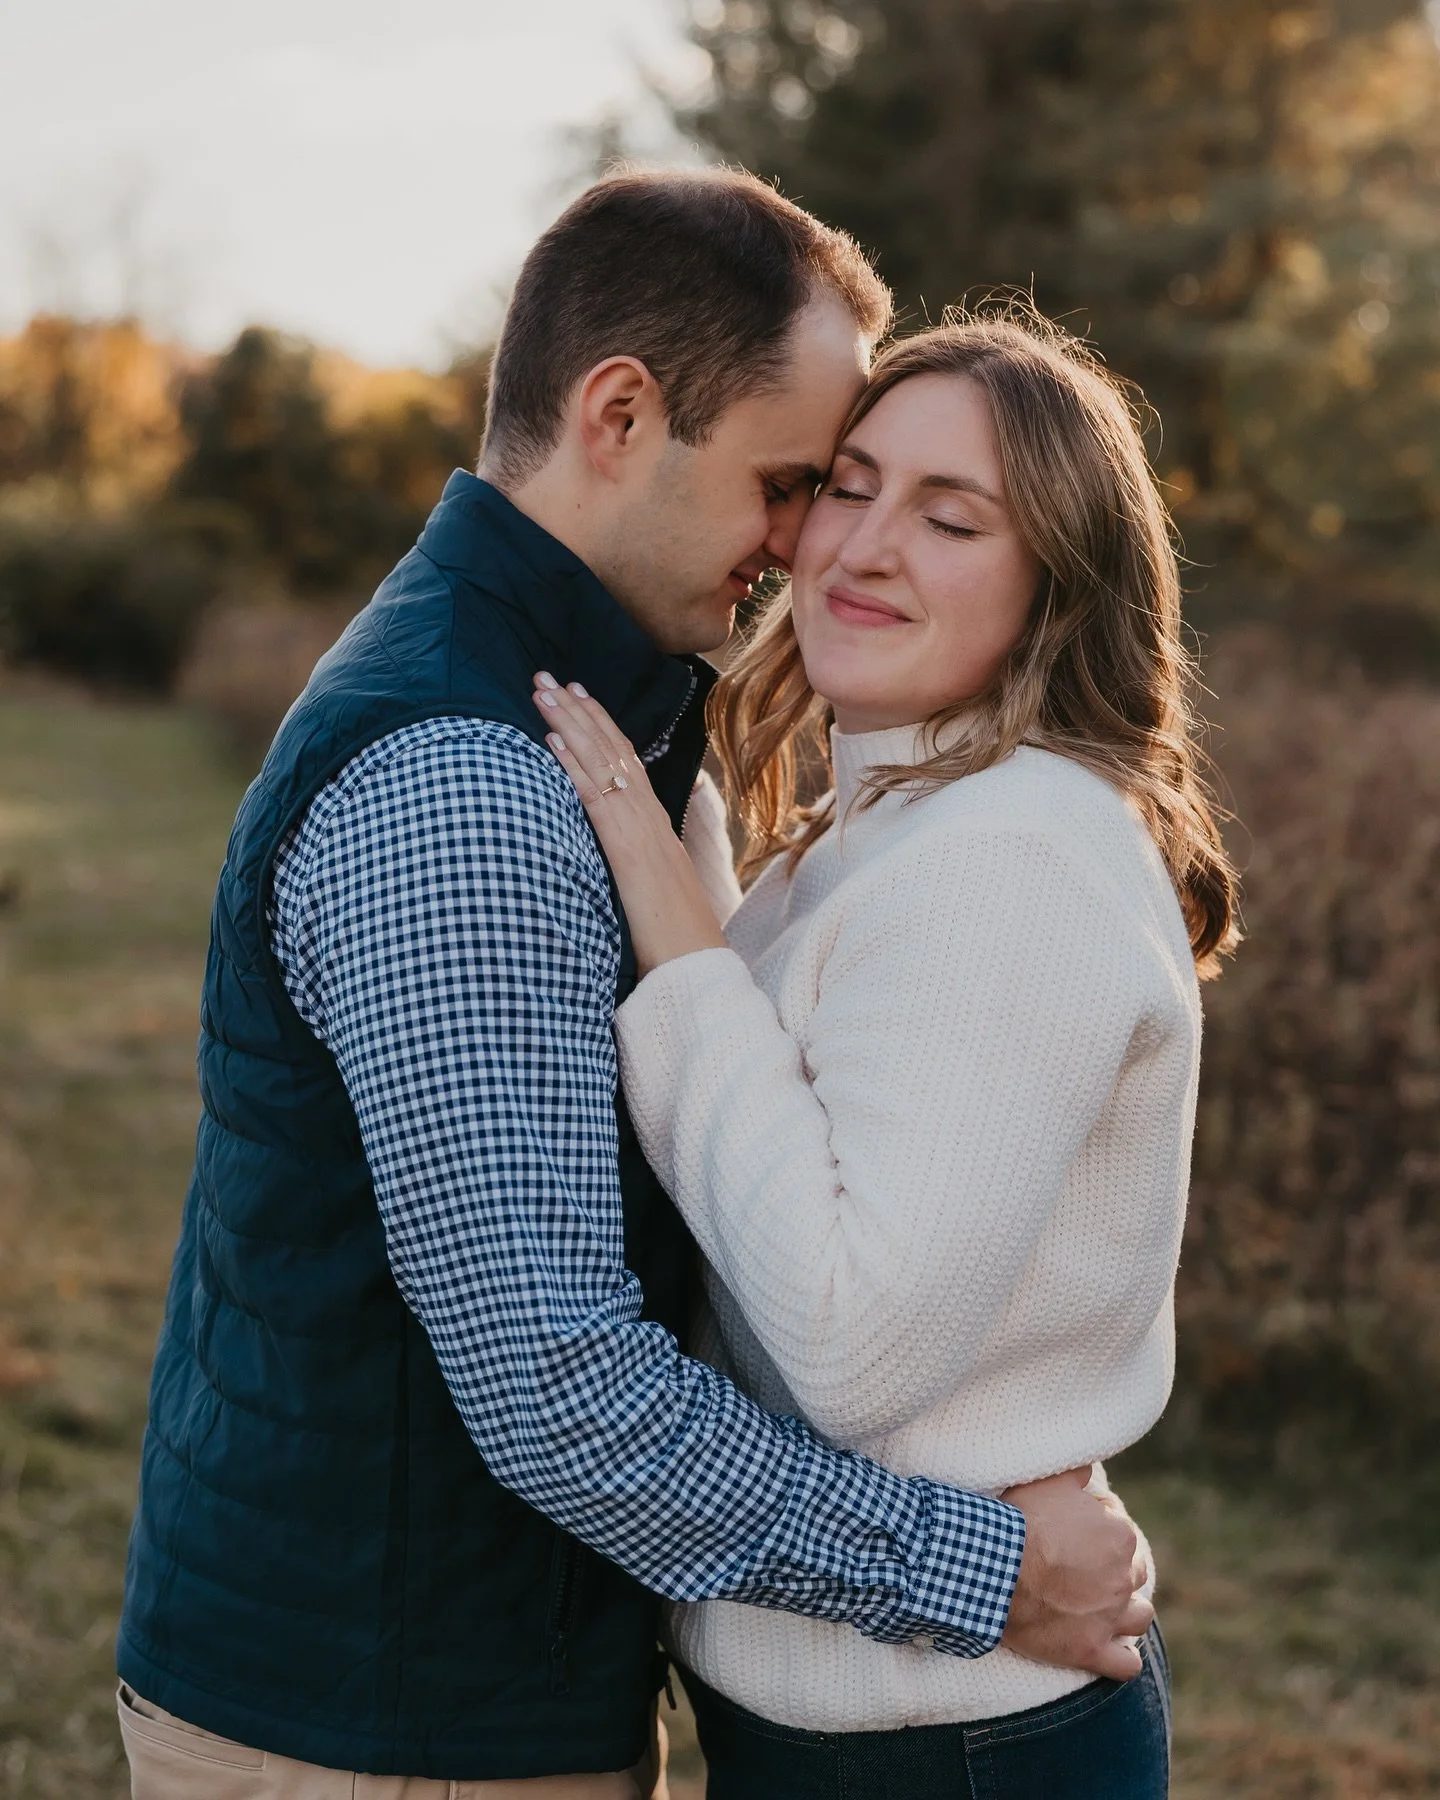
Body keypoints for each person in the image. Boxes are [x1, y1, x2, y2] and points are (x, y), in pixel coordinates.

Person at [116, 176, 1150, 1800]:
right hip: (387, 1729)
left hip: (460, 1695)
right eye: (796, 482)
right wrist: (990, 1569)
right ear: (619, 413)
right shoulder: (470, 788)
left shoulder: (597, 716)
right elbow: (561, 1392)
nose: (809, 543)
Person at [531, 306, 1239, 1800]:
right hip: (851, 1709)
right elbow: (784, 1122)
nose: (862, 547)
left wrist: (679, 944)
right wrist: (704, 882)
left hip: (949, 1740)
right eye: (847, 485)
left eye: (951, 514)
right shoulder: (880, 830)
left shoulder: (1013, 856)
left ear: (1056, 582)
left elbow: (851, 1339)